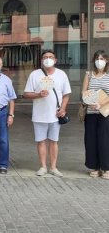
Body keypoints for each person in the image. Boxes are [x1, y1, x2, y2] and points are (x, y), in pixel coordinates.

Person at [24, 49, 71, 177]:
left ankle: (53, 167)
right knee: (41, 141)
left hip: (55, 115)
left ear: (55, 60)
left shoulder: (61, 74)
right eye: (45, 57)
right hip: (39, 115)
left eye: (50, 57)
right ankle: (43, 166)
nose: (48, 59)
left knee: (54, 141)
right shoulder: (35, 74)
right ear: (41, 60)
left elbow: (66, 94)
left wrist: (63, 108)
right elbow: (26, 94)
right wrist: (39, 94)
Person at [82, 50, 109, 179]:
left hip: (105, 114)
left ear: (107, 60)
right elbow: (84, 92)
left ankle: (106, 168)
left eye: (102, 58)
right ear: (94, 61)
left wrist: (101, 104)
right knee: (91, 140)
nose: (100, 61)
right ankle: (95, 167)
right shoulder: (89, 74)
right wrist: (90, 101)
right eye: (97, 58)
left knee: (105, 140)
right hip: (91, 112)